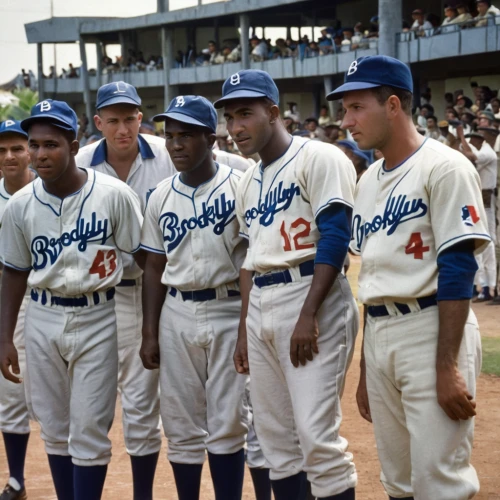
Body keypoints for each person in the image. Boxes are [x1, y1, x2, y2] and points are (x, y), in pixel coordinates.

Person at [328, 55, 490, 500]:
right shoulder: (368, 180)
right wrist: (366, 366)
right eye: (345, 109)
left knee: (440, 481)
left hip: (430, 328)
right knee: (397, 481)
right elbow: (373, 274)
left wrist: (446, 365)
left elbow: (459, 265)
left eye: (357, 107)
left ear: (393, 105)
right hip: (381, 333)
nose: (347, 120)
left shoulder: (445, 166)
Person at [215, 69, 359, 500]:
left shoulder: (319, 157)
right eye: (230, 117)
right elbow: (248, 260)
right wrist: (244, 327)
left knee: (317, 438)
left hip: (310, 292)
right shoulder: (247, 180)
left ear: (273, 112)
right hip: (262, 299)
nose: (236, 127)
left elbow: (335, 235)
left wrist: (309, 313)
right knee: (276, 442)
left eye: (246, 114)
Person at [0, 100, 144, 500]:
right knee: (53, 427)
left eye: (51, 145)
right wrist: (5, 336)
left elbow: (145, 258)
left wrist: (150, 328)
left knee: (89, 429)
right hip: (43, 314)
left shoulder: (115, 195)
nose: (40, 154)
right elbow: (14, 271)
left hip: (100, 314)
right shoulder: (21, 205)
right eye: (35, 145)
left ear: (74, 144)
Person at [140, 95, 253, 500]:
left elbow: (251, 264)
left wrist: (244, 327)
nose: (175, 145)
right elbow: (153, 267)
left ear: (210, 138)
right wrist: (149, 332)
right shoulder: (159, 195)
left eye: (186, 135)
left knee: (228, 421)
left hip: (227, 308)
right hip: (177, 312)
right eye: (170, 136)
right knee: (180, 422)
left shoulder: (242, 186)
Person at [75, 82, 174, 500]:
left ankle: (143, 494)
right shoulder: (80, 163)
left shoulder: (167, 155)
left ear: (141, 118)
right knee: (88, 403)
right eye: (112, 120)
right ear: (98, 123)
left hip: (150, 292)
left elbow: (225, 164)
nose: (122, 129)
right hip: (96, 295)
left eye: (130, 118)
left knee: (141, 401)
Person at [0, 120, 36, 500]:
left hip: (46, 296)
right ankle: (16, 480)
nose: (9, 156)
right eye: (1, 150)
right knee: (9, 392)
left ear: (30, 151)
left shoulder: (49, 190)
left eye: (16, 148)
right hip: (9, 299)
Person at [456, 127, 498, 302]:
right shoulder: (483, 151)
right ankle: (482, 287)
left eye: (473, 139)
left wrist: (461, 137)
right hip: (479, 201)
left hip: (486, 201)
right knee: (478, 244)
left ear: (481, 139)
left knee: (487, 245)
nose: (470, 142)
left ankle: (488, 288)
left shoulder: (488, 153)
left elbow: (470, 155)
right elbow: (466, 154)